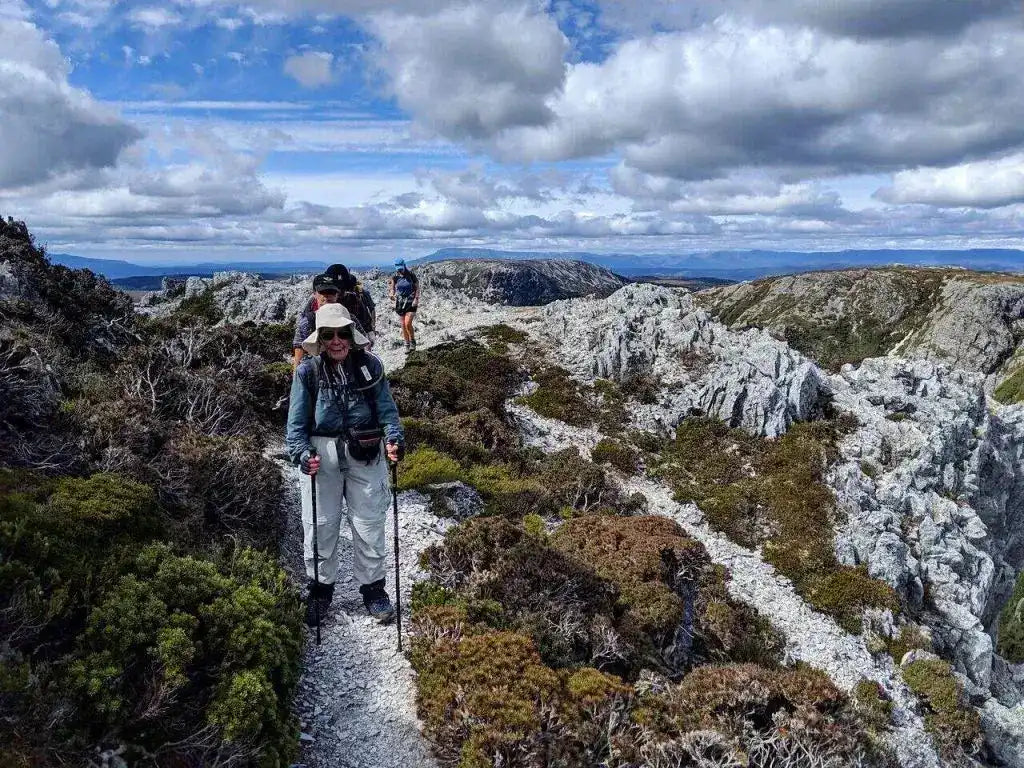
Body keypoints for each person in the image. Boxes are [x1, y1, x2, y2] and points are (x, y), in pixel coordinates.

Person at [285, 303, 405, 626]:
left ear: (352, 336)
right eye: (329, 334)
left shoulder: (370, 367)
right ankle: (320, 590)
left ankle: (373, 589)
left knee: (369, 521)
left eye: (342, 333)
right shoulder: (307, 372)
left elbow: (387, 410)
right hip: (321, 456)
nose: (337, 341)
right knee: (320, 523)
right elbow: (296, 425)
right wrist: (301, 454)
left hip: (365, 450)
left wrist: (394, 439)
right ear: (320, 339)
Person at [292, 273, 341, 370]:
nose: (327, 296)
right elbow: (299, 347)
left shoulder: (350, 318)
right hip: (317, 370)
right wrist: (296, 374)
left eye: (332, 292)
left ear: (337, 295)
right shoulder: (308, 321)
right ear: (314, 294)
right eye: (323, 292)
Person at [326, 263, 376, 347]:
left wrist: (370, 332)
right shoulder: (320, 301)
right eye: (335, 289)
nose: (339, 292)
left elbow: (365, 320)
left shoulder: (354, 300)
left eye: (342, 288)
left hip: (351, 343)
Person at [388, 258, 420, 351]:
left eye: (401, 268)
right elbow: (392, 288)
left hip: (411, 302)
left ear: (404, 265)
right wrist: (391, 294)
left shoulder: (411, 275)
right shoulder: (395, 277)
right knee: (403, 325)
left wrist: (416, 299)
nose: (400, 270)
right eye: (398, 268)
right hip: (400, 303)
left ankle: (412, 341)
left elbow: (417, 288)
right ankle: (407, 344)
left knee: (407, 323)